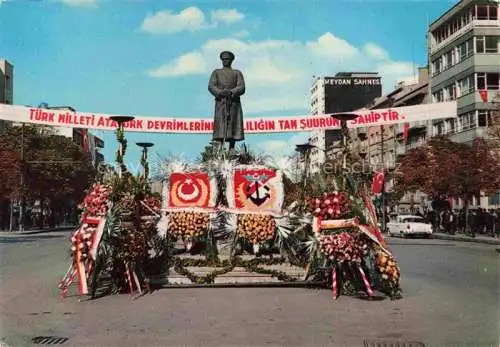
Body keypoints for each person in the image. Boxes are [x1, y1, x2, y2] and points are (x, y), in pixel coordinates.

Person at [208, 51, 246, 153]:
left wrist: (231, 92)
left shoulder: (237, 73)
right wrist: (220, 92)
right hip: (221, 103)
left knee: (233, 123)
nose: (226, 61)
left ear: (231, 60)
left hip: (234, 103)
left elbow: (241, 87)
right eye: (224, 59)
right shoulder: (216, 72)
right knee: (220, 125)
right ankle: (219, 148)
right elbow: (211, 86)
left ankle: (232, 148)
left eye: (228, 59)